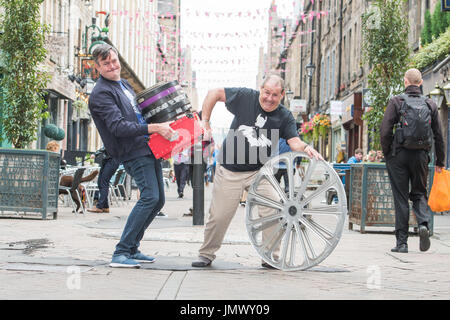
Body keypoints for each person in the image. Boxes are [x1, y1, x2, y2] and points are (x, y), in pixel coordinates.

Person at [191, 73, 322, 269]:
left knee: (276, 209)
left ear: (282, 95)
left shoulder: (284, 116)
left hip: (260, 172)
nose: (269, 98)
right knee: (219, 216)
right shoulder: (245, 97)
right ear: (261, 90)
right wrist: (206, 122)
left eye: (275, 95)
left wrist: (306, 148)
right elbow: (214, 93)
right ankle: (206, 254)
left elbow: (294, 141)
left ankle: (270, 256)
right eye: (267, 92)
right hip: (230, 170)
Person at [88, 44, 176, 268]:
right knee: (149, 197)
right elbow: (118, 127)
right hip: (132, 151)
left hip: (147, 147)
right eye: (105, 63)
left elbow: (140, 115)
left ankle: (133, 248)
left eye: (114, 60)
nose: (112, 66)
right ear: (97, 68)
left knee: (158, 200)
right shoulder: (101, 93)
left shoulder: (124, 85)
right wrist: (156, 128)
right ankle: (121, 252)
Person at [381, 68, 445, 254]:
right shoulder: (430, 104)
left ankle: (402, 243)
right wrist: (440, 161)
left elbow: (385, 130)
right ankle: (423, 224)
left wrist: (388, 153)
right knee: (419, 193)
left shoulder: (396, 101)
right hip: (421, 156)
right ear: (421, 83)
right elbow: (439, 136)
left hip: (399, 155)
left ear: (405, 81)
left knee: (401, 198)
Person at [88, 147, 120, 213]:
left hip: (112, 160)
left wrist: (95, 154)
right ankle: (105, 206)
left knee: (104, 182)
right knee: (100, 182)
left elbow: (106, 146)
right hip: (106, 160)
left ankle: (99, 206)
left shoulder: (113, 137)